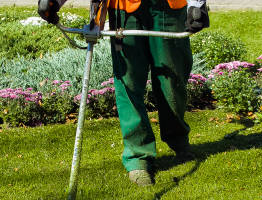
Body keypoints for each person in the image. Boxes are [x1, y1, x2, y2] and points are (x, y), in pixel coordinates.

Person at [38, 0, 209, 186]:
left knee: (173, 80)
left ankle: (178, 140)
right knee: (128, 82)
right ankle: (138, 157)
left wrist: (197, 4)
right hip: (124, 11)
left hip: (168, 7)